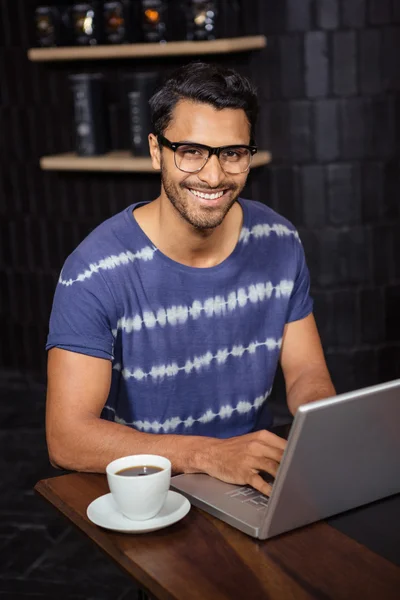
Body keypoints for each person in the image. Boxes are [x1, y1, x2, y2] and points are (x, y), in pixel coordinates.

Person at [46, 62, 335, 496]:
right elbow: (66, 440)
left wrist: (330, 429)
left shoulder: (279, 240)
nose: (214, 176)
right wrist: (208, 455)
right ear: (156, 151)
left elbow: (306, 372)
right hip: (152, 487)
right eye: (191, 151)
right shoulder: (94, 270)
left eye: (233, 153)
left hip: (252, 481)